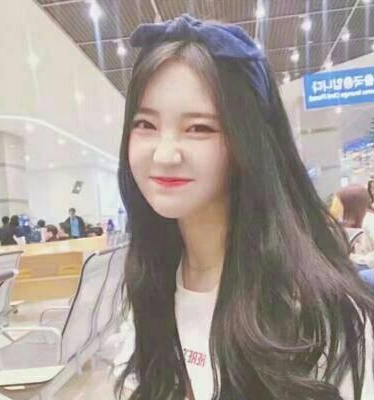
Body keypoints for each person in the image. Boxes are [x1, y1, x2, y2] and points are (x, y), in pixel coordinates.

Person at [113, 15, 374, 400]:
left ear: (247, 141)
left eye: (199, 128)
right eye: (145, 124)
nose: (165, 154)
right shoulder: (149, 285)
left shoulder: (317, 312)